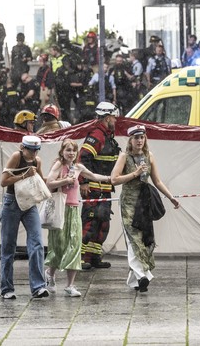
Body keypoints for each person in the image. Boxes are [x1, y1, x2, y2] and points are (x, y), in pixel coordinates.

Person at [110, 125, 180, 292]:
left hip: (144, 203)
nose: (139, 141)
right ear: (130, 140)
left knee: (145, 239)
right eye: (136, 138)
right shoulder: (124, 157)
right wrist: (134, 174)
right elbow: (114, 179)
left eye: (142, 137)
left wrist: (171, 197)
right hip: (128, 203)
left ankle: (135, 281)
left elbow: (157, 181)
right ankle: (142, 275)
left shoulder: (150, 156)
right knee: (133, 239)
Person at [45, 139, 111, 297]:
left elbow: (93, 175)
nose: (71, 153)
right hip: (60, 209)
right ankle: (50, 274)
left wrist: (109, 179)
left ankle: (70, 285)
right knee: (59, 245)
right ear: (62, 151)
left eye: (74, 150)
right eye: (68, 150)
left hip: (74, 210)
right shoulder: (58, 165)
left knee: (74, 245)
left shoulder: (78, 167)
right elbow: (49, 182)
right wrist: (65, 180)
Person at [0, 135, 49, 299]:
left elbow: (41, 180)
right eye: (31, 150)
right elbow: (4, 181)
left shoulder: (38, 161)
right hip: (12, 203)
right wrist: (23, 175)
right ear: (23, 148)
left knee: (37, 243)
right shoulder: (16, 157)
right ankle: (7, 288)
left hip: (29, 204)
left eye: (36, 150)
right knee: (8, 247)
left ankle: (38, 286)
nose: (33, 154)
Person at [79, 102, 121, 270]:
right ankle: (81, 258)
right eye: (114, 118)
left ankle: (94, 257)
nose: (116, 121)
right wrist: (84, 182)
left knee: (102, 224)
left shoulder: (108, 136)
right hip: (93, 189)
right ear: (107, 117)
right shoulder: (96, 135)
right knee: (90, 223)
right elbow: (83, 158)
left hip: (104, 189)